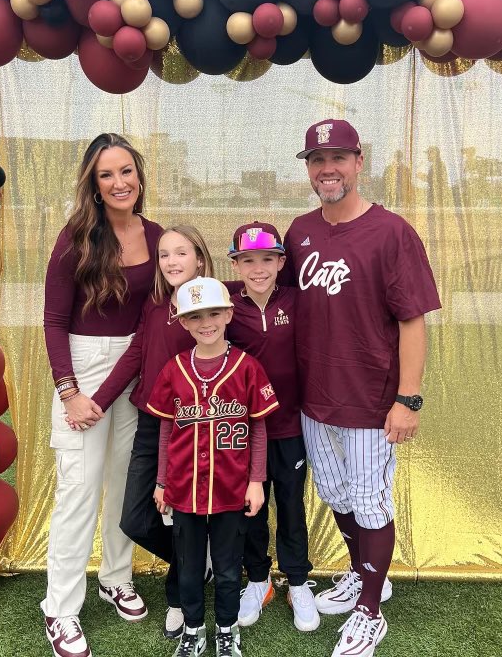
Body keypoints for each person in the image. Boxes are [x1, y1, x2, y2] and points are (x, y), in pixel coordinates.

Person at [283, 119, 441, 657]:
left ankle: (370, 611)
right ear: (308, 167)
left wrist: (408, 398)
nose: (328, 169)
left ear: (358, 161)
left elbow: (412, 320)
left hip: (372, 401)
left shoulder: (391, 232)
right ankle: (362, 574)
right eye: (317, 160)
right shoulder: (299, 231)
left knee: (371, 504)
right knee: (336, 496)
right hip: (314, 398)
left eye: (338, 158)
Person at [41, 133, 163, 657]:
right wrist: (70, 393)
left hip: (134, 369)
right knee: (79, 493)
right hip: (81, 369)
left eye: (127, 171)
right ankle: (60, 609)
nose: (120, 183)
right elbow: (53, 320)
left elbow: (154, 320)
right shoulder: (76, 237)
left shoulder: (156, 235)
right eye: (107, 174)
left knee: (124, 485)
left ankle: (116, 577)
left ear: (139, 175)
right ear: (93, 184)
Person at [89, 226, 215, 641]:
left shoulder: (212, 302)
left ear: (199, 257)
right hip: (150, 421)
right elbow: (136, 355)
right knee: (134, 519)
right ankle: (198, 558)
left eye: (182, 252)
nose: (173, 261)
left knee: (185, 514)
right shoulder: (156, 304)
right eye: (164, 255)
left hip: (194, 425)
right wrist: (99, 401)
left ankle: (178, 595)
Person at [149, 277, 279, 657]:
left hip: (231, 488)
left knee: (226, 568)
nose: (205, 322)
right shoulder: (174, 369)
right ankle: (194, 630)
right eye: (195, 316)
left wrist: (257, 481)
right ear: (184, 322)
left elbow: (258, 427)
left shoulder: (246, 368)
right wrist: (160, 482)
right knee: (188, 568)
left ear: (227, 314)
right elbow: (165, 429)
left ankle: (227, 629)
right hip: (184, 488)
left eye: (213, 313)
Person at [225, 222, 317, 632]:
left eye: (267, 259)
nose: (258, 268)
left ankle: (298, 581)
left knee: (292, 508)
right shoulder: (226, 305)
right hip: (245, 431)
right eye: (248, 260)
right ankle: (259, 580)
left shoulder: (299, 301)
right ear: (237, 264)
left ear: (282, 261)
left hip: (292, 426)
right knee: (251, 509)